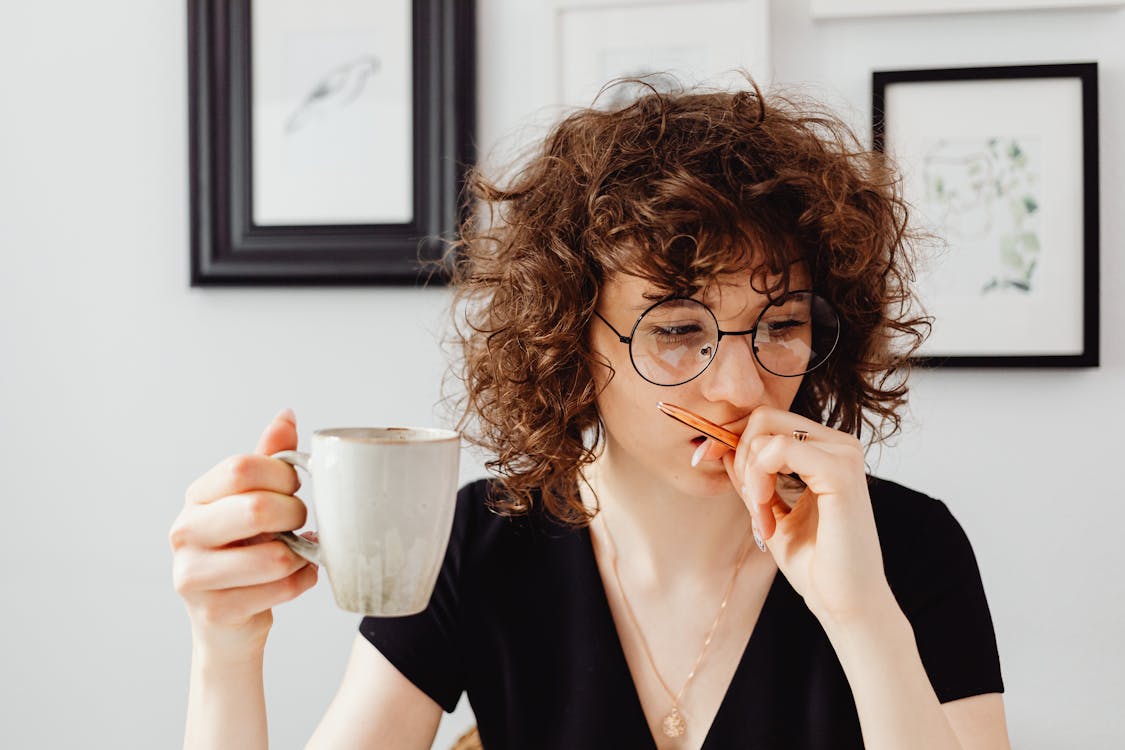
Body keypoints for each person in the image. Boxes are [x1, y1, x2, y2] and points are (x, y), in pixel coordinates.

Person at [171, 77, 1010, 749]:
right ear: (571, 338)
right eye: (678, 330)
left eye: (780, 326)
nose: (741, 386)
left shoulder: (906, 546)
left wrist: (862, 617)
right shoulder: (479, 540)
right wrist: (226, 650)